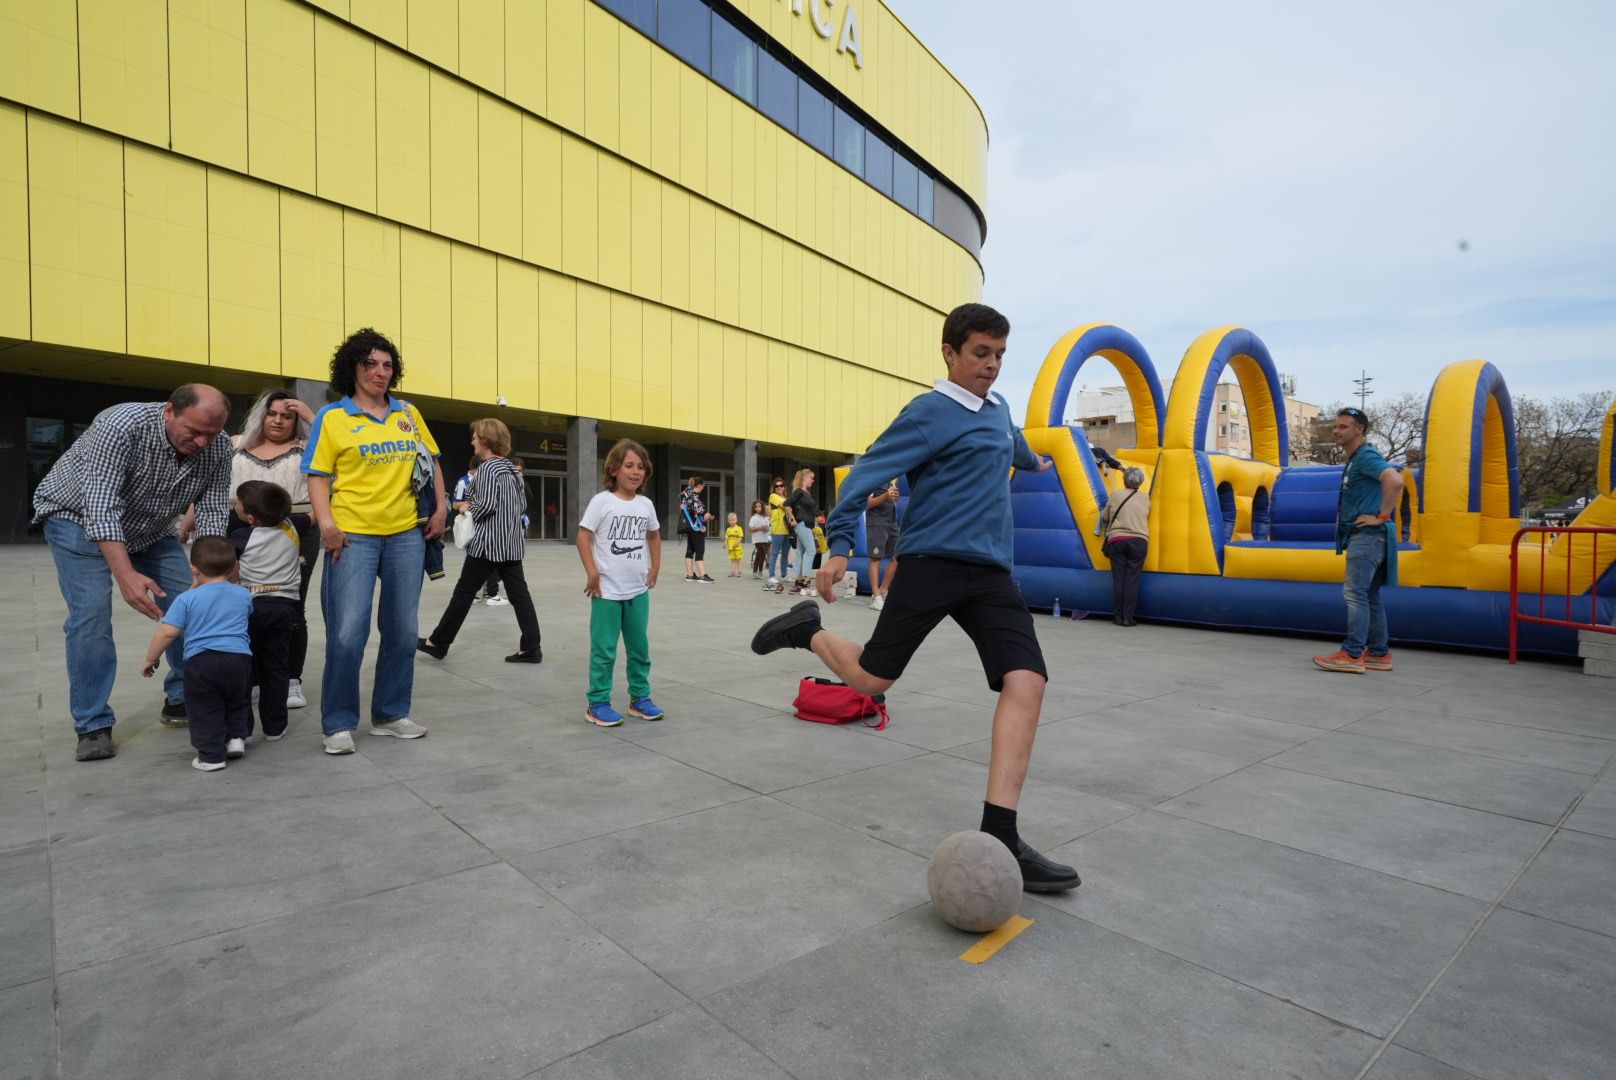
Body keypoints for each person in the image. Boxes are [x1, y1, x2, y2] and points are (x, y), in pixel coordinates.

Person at [750, 303, 1079, 892]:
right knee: (873, 681)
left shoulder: (999, 411)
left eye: (1000, 355)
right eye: (981, 353)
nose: (993, 366)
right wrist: (841, 544)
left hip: (992, 574)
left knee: (1027, 680)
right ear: (950, 353)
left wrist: (1041, 459)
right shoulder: (929, 412)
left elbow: (1014, 446)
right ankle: (806, 629)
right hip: (931, 564)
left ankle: (1002, 833)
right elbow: (865, 473)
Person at [33, 384, 235, 761]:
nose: (204, 442)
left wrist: (210, 572)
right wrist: (125, 575)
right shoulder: (120, 425)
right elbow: (101, 504)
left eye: (212, 433)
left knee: (194, 602)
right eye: (195, 432)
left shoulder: (220, 446)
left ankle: (182, 697)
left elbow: (211, 512)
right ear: (170, 411)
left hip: (152, 527)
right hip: (75, 518)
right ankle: (92, 724)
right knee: (91, 614)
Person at [303, 327, 445, 755]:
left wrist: (440, 509)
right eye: (370, 364)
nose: (380, 372)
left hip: (406, 534)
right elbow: (317, 476)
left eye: (387, 365)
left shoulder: (408, 413)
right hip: (352, 536)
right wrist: (326, 523)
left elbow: (432, 462)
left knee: (402, 631)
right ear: (352, 368)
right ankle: (339, 723)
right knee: (347, 632)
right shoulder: (334, 417)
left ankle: (390, 714)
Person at [418, 420, 543, 664]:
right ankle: (531, 646)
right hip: (511, 545)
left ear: (485, 440)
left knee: (463, 593)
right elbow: (522, 506)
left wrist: (466, 506)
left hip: (487, 546)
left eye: (475, 437)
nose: (472, 441)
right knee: (520, 596)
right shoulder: (512, 470)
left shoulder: (486, 470)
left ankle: (439, 642)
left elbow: (485, 506)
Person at [231, 389, 319, 709]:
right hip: (240, 529)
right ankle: (255, 677)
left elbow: (336, 449)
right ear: (261, 414)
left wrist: (312, 416)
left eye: (287, 415)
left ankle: (290, 680)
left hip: (296, 527)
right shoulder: (237, 445)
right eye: (273, 413)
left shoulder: (309, 448)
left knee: (290, 606)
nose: (278, 420)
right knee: (243, 605)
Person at [139, 537, 253, 772]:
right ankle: (235, 739)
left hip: (202, 661)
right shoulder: (243, 595)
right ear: (233, 567)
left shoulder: (186, 598)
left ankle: (211, 756)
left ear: (194, 569)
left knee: (204, 708)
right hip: (239, 659)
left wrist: (151, 658)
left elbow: (167, 633)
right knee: (236, 700)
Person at [578, 440, 664, 727]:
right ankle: (597, 703)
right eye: (629, 466)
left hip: (638, 590)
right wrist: (592, 571)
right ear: (614, 469)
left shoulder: (645, 504)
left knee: (640, 649)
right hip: (607, 591)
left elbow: (653, 535)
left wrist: (655, 567)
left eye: (640, 467)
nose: (636, 472)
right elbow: (583, 537)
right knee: (604, 650)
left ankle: (640, 698)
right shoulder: (602, 501)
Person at [1314, 406, 1404, 673]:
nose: (1336, 431)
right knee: (1370, 595)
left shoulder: (1365, 457)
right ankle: (1378, 653)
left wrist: (1382, 516)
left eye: (1343, 427)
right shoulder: (1355, 459)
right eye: (1336, 426)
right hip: (1372, 538)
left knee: (1355, 594)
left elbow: (1395, 481)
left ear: (1359, 430)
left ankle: (1353, 655)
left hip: (1368, 537)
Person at [230, 480, 302, 740]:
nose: (234, 505)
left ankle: (242, 730)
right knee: (276, 667)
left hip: (250, 608)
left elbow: (224, 564)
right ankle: (275, 726)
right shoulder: (293, 525)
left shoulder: (241, 537)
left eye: (236, 502)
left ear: (250, 516)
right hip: (284, 608)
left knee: (244, 667)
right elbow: (313, 516)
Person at [1099, 466, 1150, 627]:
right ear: (1140, 482)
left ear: (1124, 480)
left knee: (1119, 580)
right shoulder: (1145, 498)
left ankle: (1117, 617)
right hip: (1139, 540)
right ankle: (1127, 618)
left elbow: (1105, 516)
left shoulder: (1115, 495)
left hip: (1117, 540)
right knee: (1132, 580)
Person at [452, 464, 503, 604]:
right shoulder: (464, 481)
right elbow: (455, 504)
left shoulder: (487, 480)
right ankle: (471, 593)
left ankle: (488, 591)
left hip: (486, 525)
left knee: (487, 558)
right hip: (471, 523)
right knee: (470, 557)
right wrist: (471, 504)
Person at [864, 479, 901, 611]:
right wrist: (886, 495)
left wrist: (895, 497)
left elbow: (893, 499)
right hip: (877, 524)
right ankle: (876, 596)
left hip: (891, 524)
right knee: (876, 559)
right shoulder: (872, 480)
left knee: (898, 557)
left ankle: (883, 590)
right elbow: (867, 503)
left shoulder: (891, 481)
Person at [783, 468, 820, 595]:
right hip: (802, 524)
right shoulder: (799, 492)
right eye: (811, 478)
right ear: (804, 478)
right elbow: (786, 504)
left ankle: (798, 582)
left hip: (806, 525)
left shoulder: (805, 493)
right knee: (811, 551)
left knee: (800, 552)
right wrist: (792, 519)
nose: (813, 481)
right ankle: (806, 580)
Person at [680, 475, 715, 582]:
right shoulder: (694, 496)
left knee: (690, 549)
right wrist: (706, 514)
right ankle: (703, 575)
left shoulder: (685, 494)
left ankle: (690, 575)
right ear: (699, 485)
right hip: (696, 526)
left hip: (688, 526)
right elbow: (697, 510)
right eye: (703, 486)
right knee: (700, 549)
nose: (703, 488)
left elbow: (685, 508)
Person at [766, 478, 791, 591]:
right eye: (777, 486)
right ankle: (771, 576)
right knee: (775, 553)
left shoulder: (786, 497)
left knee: (785, 554)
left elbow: (789, 506)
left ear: (784, 487)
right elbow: (785, 505)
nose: (779, 487)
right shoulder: (773, 496)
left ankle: (784, 574)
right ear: (774, 488)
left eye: (781, 485)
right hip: (777, 529)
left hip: (787, 529)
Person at [747, 499, 771, 578]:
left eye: (760, 506)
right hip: (757, 540)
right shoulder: (753, 518)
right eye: (756, 507)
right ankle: (758, 572)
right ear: (754, 508)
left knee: (758, 555)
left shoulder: (765, 517)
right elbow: (750, 529)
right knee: (763, 554)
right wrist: (760, 528)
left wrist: (766, 528)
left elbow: (768, 528)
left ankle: (757, 572)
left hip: (764, 538)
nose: (758, 508)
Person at [725, 512, 746, 577]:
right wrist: (725, 544)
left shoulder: (739, 528)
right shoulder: (728, 529)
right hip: (731, 548)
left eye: (733, 520)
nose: (732, 521)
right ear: (728, 521)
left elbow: (740, 538)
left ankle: (739, 572)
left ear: (736, 520)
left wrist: (736, 543)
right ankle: (733, 572)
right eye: (730, 520)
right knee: (732, 560)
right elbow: (727, 538)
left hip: (738, 548)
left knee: (738, 560)